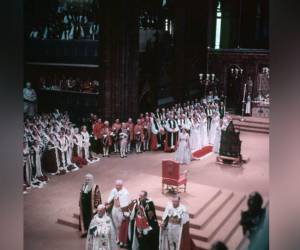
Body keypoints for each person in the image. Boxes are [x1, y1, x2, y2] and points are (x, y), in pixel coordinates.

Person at [106, 180, 130, 247]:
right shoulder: (114, 190)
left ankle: (122, 240)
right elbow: (110, 198)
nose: (117, 187)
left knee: (120, 225)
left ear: (122, 185)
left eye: (118, 185)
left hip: (120, 210)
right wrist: (107, 202)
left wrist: (125, 213)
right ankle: (117, 238)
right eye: (116, 185)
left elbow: (127, 203)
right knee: (116, 225)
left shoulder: (125, 192)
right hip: (114, 208)